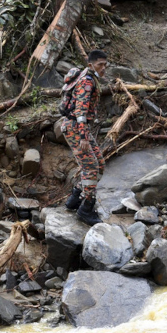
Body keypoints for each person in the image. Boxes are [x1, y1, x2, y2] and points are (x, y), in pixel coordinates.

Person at [62, 50, 109, 225]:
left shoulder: (89, 77)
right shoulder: (87, 82)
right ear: (90, 65)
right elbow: (80, 112)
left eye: (105, 64)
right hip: (76, 128)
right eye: (100, 65)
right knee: (91, 167)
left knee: (100, 164)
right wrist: (83, 136)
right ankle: (86, 209)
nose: (103, 68)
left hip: (79, 128)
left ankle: (74, 200)